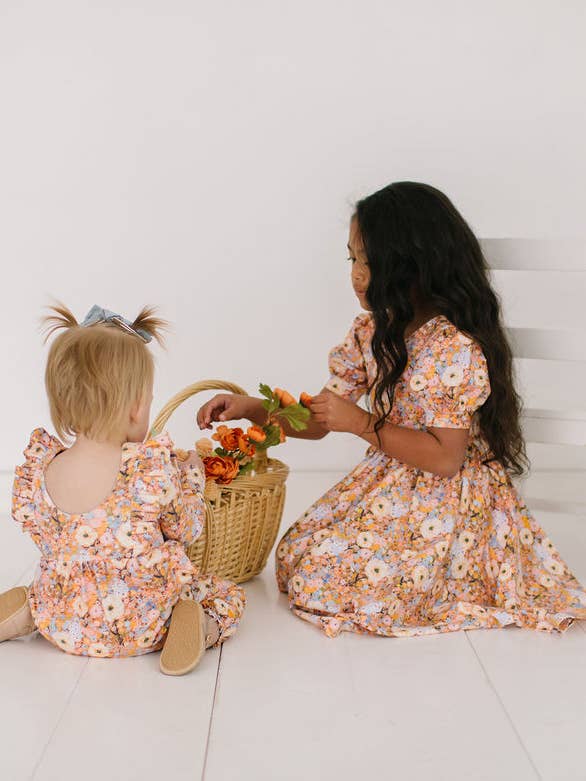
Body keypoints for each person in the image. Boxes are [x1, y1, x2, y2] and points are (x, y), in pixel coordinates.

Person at [197, 181, 586, 638]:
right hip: (391, 477)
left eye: (370, 261)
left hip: (449, 499)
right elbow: (321, 422)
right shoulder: (372, 332)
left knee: (332, 585)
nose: (357, 274)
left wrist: (362, 423)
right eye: (353, 258)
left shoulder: (451, 347)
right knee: (297, 557)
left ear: (417, 266)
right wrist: (254, 408)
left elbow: (446, 459)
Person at [0, 304, 245, 674]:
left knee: (59, 587)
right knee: (223, 594)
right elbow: (187, 530)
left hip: (65, 619)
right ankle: (199, 624)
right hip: (143, 623)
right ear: (135, 409)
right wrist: (192, 476)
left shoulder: (42, 469)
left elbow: (49, 538)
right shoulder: (149, 470)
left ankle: (32, 610)